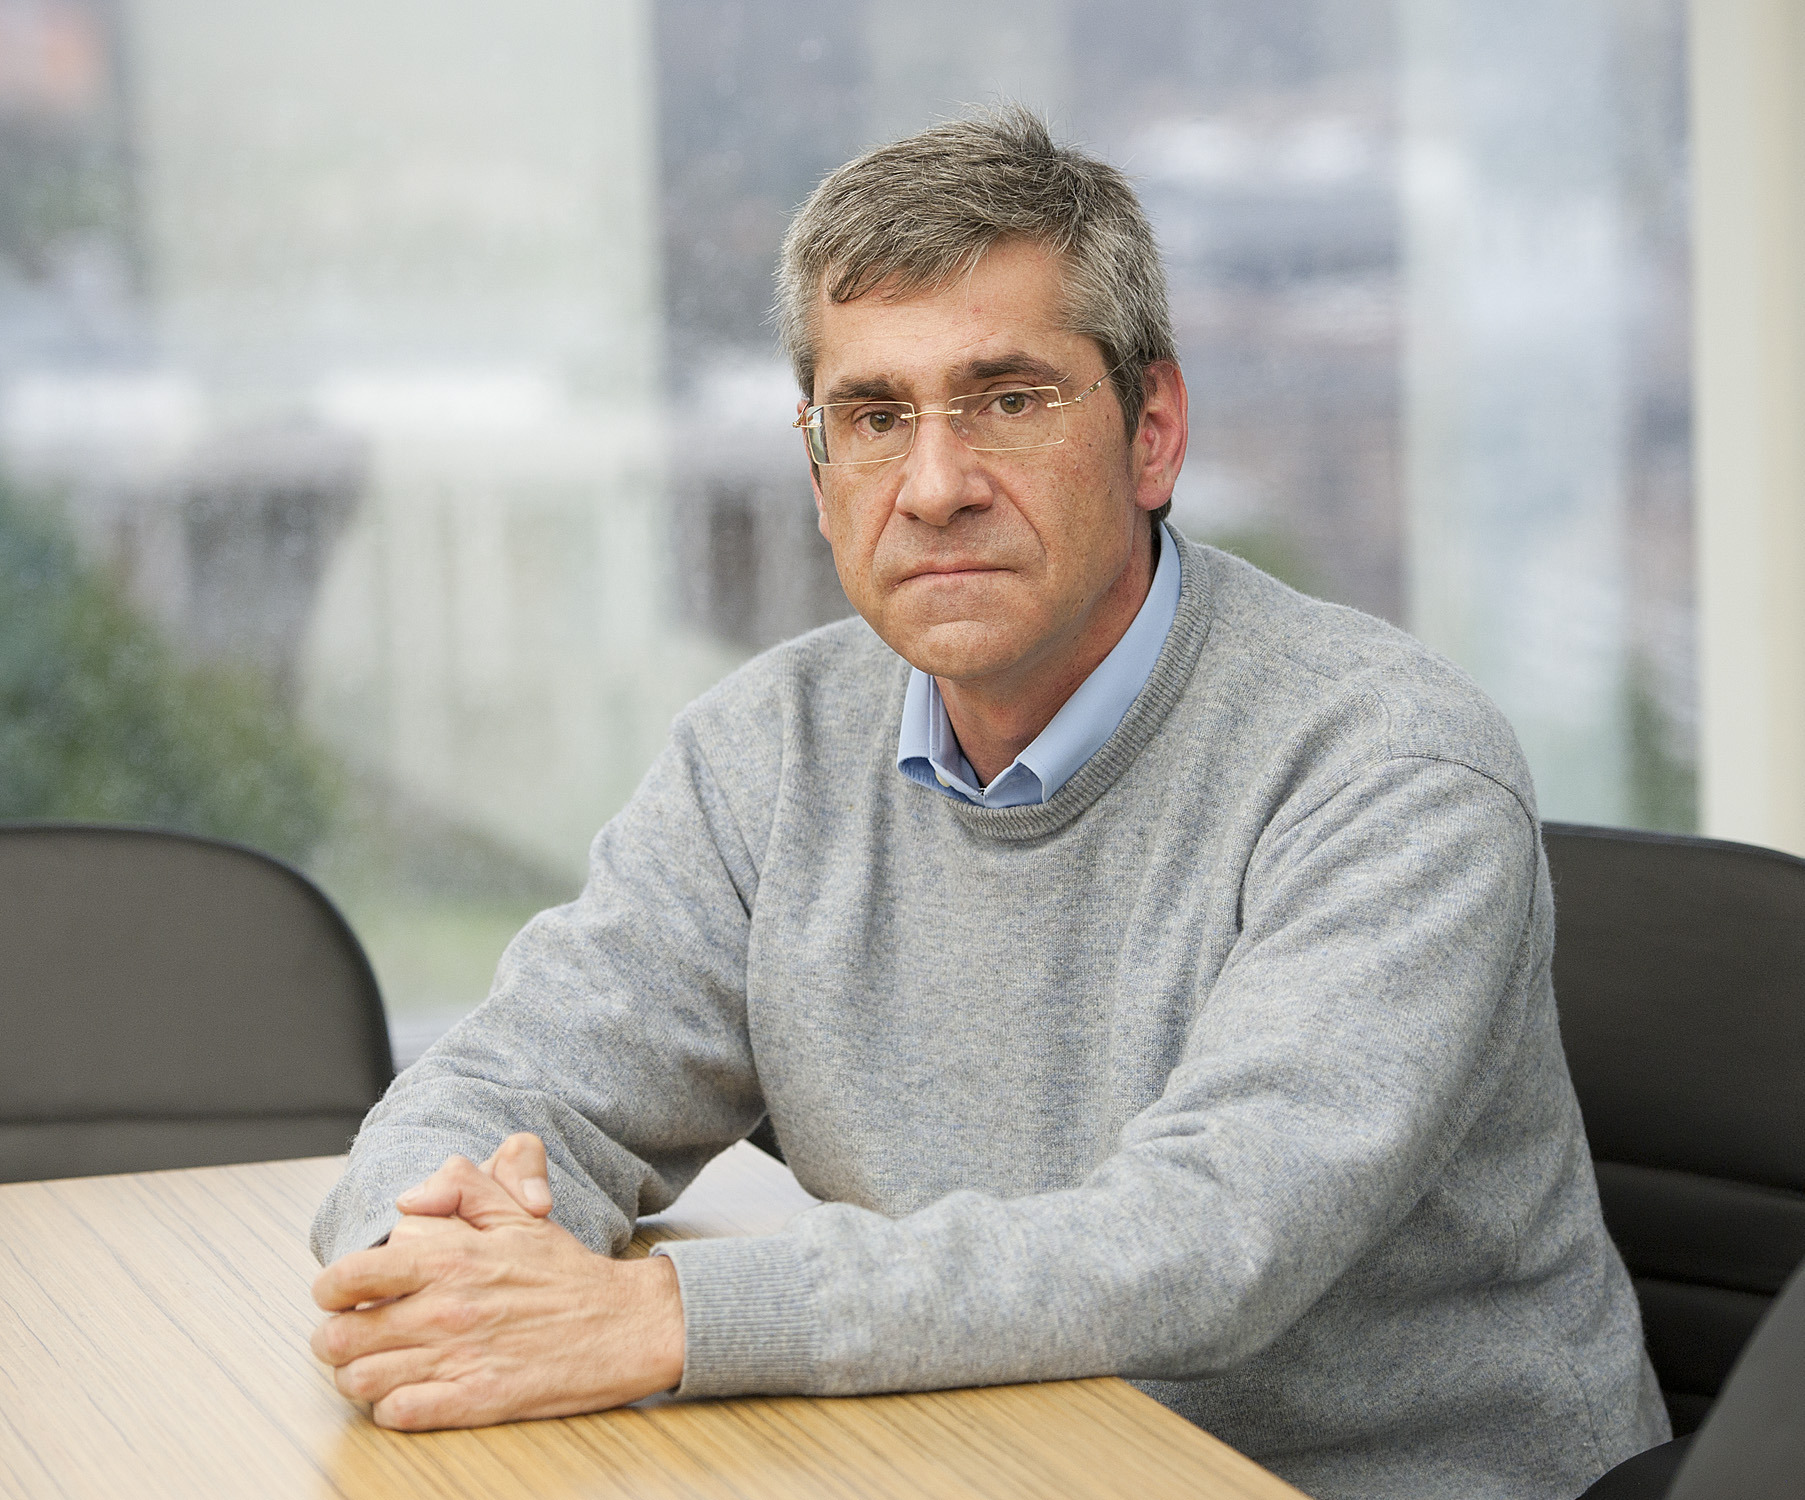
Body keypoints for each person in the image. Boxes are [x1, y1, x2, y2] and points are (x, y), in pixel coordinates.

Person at [309, 108, 1669, 1499]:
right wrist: (431, 1254)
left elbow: (1212, 1246)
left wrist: (662, 1320)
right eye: (873, 418)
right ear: (818, 470)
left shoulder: (1387, 765)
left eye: (1009, 400)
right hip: (976, 1461)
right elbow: (512, 1082)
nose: (935, 486)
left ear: (1152, 434)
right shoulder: (764, 751)